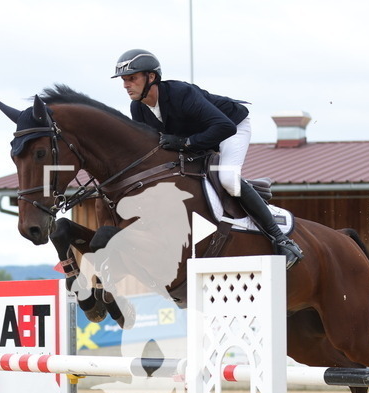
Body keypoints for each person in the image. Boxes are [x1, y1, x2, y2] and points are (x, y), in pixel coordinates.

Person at [111, 49, 304, 269]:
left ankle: (282, 240)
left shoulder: (181, 94)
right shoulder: (138, 108)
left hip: (233, 126)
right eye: (124, 80)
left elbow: (225, 127)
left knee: (228, 179)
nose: (126, 85)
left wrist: (185, 144)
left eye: (132, 78)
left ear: (151, 77)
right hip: (202, 136)